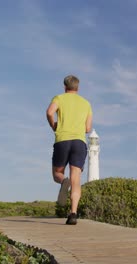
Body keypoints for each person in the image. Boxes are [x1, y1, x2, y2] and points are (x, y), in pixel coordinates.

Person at [46, 75, 92, 225]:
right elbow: (87, 128)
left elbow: (49, 112)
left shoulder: (59, 98)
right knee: (76, 180)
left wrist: (54, 125)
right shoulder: (86, 104)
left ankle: (64, 181)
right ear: (78, 88)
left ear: (65, 86)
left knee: (57, 174)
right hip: (79, 142)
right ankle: (73, 213)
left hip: (62, 140)